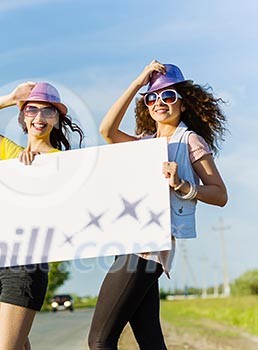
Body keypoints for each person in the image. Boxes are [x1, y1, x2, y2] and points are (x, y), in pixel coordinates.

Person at [88, 61, 228, 350]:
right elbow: (107, 130)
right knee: (151, 341)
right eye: (152, 97)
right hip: (127, 242)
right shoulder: (145, 144)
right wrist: (138, 83)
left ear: (183, 103)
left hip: (148, 248)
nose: (159, 102)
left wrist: (182, 186)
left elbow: (220, 194)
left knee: (100, 340)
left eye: (168, 96)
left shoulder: (189, 140)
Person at [0, 81, 84, 350]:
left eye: (47, 111)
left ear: (57, 118)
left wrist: (37, 175)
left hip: (27, 265)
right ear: (23, 116)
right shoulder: (11, 153)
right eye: (31, 110)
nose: (39, 118)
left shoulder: (62, 164)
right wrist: (9, 98)